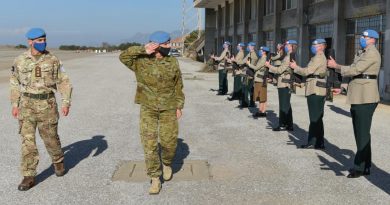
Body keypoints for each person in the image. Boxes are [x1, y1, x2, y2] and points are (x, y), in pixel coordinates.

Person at [119, 31, 185, 194]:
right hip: (148, 108)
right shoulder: (140, 61)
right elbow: (123, 57)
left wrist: (179, 105)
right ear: (156, 46)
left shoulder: (172, 61)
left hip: (168, 107)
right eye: (167, 44)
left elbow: (178, 85)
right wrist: (143, 49)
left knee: (169, 143)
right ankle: (155, 178)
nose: (170, 46)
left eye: (170, 43)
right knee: (149, 145)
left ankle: (167, 162)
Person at [10, 28, 72, 191]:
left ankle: (58, 161)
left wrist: (66, 101)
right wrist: (15, 104)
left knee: (51, 139)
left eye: (44, 39)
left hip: (47, 105)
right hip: (26, 105)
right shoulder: (20, 60)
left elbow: (64, 81)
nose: (42, 42)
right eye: (38, 40)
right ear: (30, 42)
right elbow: (14, 82)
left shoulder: (53, 60)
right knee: (27, 141)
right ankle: (28, 175)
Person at [327, 29, 381, 178]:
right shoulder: (362, 52)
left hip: (365, 98)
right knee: (362, 133)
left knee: (361, 133)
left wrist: (336, 66)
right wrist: (344, 88)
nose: (362, 38)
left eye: (364, 37)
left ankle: (360, 167)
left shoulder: (371, 53)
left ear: (372, 39)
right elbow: (357, 76)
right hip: (359, 96)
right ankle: (366, 165)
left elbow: (356, 70)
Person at [290, 39, 327, 149]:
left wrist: (295, 67)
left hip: (315, 89)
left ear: (321, 46)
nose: (312, 46)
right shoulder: (318, 57)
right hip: (316, 88)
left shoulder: (318, 57)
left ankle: (312, 141)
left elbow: (307, 71)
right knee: (317, 117)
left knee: (314, 117)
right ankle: (319, 142)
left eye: (314, 45)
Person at [265, 40, 297, 131]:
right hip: (286, 82)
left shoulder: (288, 57)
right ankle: (289, 124)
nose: (285, 46)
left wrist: (269, 66)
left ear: (291, 46)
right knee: (287, 104)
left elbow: (279, 70)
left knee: (283, 105)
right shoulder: (289, 55)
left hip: (284, 83)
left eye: (287, 45)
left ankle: (282, 124)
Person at [247, 46, 269, 117]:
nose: (260, 51)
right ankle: (261, 111)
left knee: (261, 96)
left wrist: (249, 64)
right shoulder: (262, 58)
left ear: (264, 52)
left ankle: (262, 111)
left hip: (260, 80)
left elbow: (256, 68)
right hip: (259, 79)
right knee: (261, 96)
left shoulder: (263, 59)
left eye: (261, 50)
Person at [240, 42, 258, 108]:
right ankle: (246, 102)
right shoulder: (249, 54)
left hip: (250, 73)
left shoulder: (253, 55)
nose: (247, 47)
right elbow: (244, 61)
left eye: (248, 46)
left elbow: (249, 65)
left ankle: (249, 103)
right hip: (247, 73)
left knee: (249, 88)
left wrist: (244, 64)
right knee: (246, 88)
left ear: (252, 47)